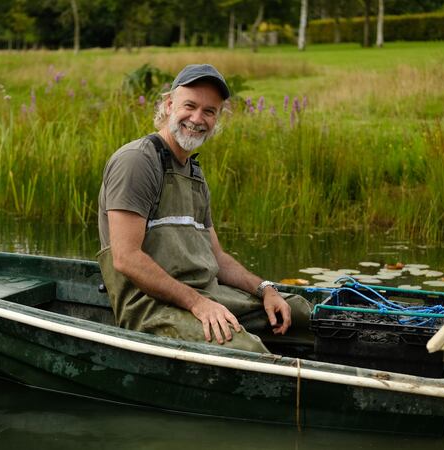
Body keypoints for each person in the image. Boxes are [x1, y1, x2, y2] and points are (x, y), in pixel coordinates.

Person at [97, 64, 311, 353]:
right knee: (246, 350)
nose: (197, 119)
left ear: (217, 118)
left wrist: (265, 289)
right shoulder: (137, 161)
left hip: (205, 295)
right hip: (150, 307)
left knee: (297, 313)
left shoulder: (194, 174)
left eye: (209, 111)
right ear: (169, 104)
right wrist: (197, 303)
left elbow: (217, 258)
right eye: (190, 106)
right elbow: (126, 258)